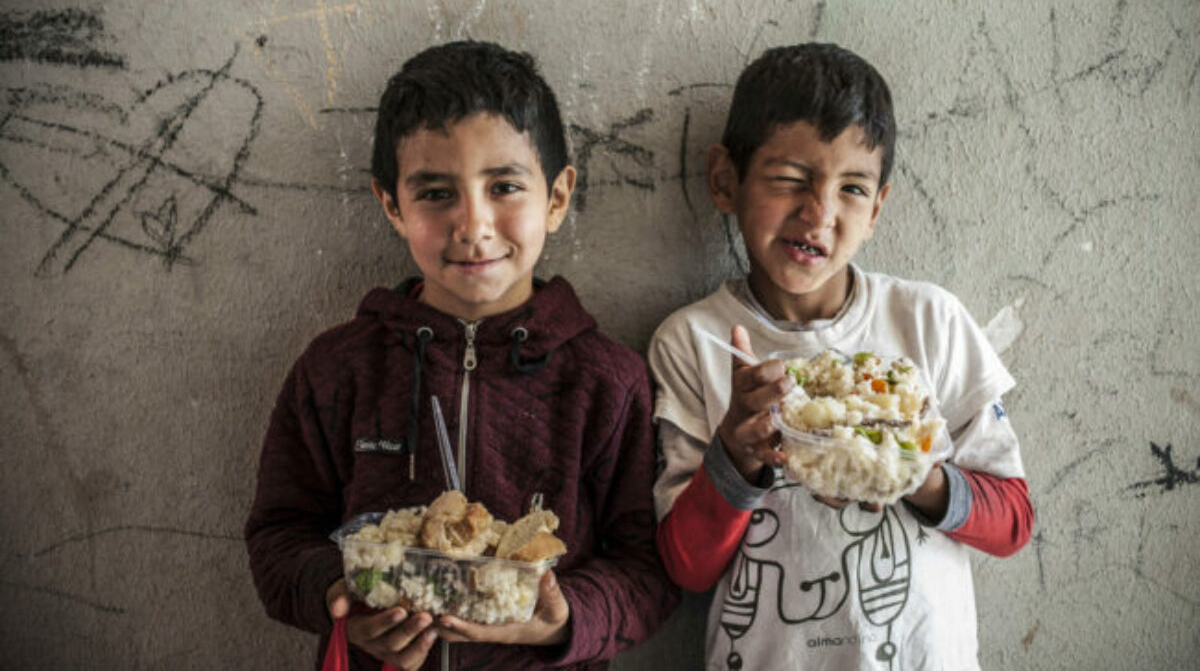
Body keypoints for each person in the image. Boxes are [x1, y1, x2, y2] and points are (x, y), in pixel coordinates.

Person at [245, 40, 678, 671]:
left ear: (557, 199)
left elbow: (647, 570)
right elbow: (278, 537)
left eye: (504, 186)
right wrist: (340, 599)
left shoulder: (606, 381)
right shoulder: (339, 369)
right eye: (435, 194)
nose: (473, 226)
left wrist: (565, 623)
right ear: (391, 204)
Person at [649, 42, 1033, 670]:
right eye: (790, 179)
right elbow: (687, 569)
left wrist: (913, 472)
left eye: (851, 188)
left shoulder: (927, 322)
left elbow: (1013, 520)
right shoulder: (697, 341)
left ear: (878, 207)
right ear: (726, 180)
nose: (818, 213)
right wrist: (736, 453)